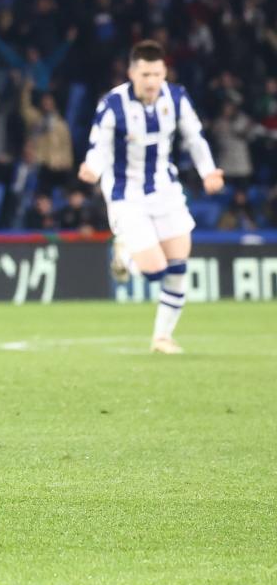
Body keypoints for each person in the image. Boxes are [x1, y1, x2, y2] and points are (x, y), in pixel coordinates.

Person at [78, 40, 222, 354]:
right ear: (132, 73)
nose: (151, 81)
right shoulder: (113, 104)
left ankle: (162, 337)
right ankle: (124, 252)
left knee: (178, 265)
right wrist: (91, 168)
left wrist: (208, 171)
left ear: (164, 72)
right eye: (145, 74)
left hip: (165, 190)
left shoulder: (177, 98)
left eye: (156, 73)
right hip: (126, 195)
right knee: (155, 269)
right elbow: (98, 148)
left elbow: (195, 139)